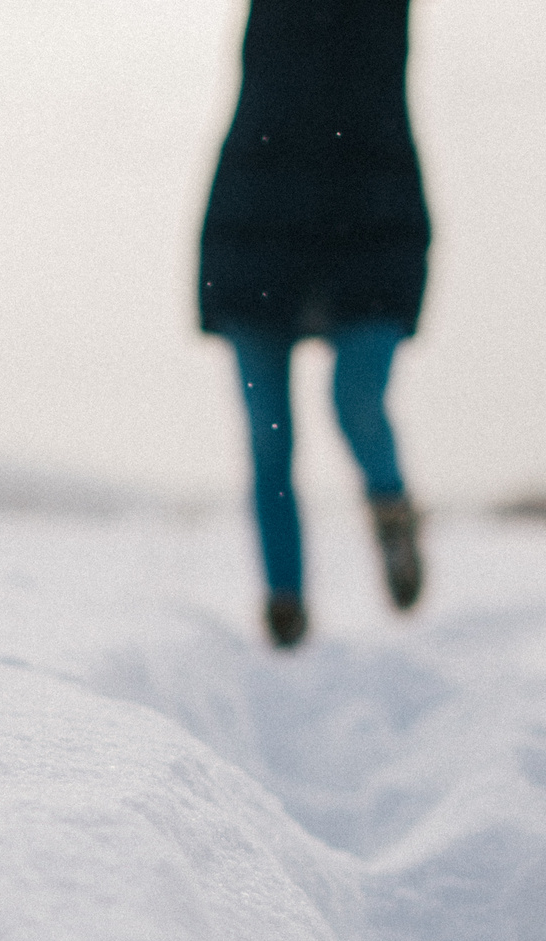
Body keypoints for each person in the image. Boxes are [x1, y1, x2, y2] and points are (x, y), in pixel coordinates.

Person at [200, 0, 431, 650]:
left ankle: (392, 511)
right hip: (260, 223)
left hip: (368, 218)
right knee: (269, 438)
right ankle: (285, 604)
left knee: (356, 399)